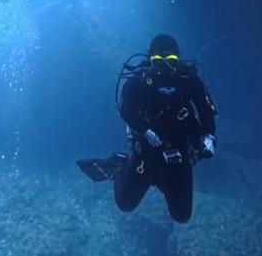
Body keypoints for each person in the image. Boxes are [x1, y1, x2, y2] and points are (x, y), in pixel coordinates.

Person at [77, 34, 217, 223]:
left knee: (182, 216)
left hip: (180, 151)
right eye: (159, 62)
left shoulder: (188, 79)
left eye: (171, 61)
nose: (166, 68)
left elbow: (206, 110)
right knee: (125, 203)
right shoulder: (139, 80)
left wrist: (209, 137)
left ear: (179, 59)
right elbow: (124, 109)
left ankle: (161, 181)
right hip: (147, 151)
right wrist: (145, 131)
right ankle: (120, 164)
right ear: (150, 60)